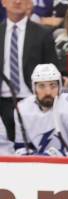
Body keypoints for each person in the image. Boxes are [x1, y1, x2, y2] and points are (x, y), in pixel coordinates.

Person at [0, 0, 59, 142]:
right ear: (3, 2)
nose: (18, 1)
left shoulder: (43, 33)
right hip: (2, 101)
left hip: (32, 100)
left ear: (31, 3)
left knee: (31, 147)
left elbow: (52, 67)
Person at [14, 63, 68, 156]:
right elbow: (21, 147)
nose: (48, 92)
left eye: (53, 85)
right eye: (41, 86)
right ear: (34, 88)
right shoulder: (22, 108)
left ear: (60, 87)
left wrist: (60, 156)